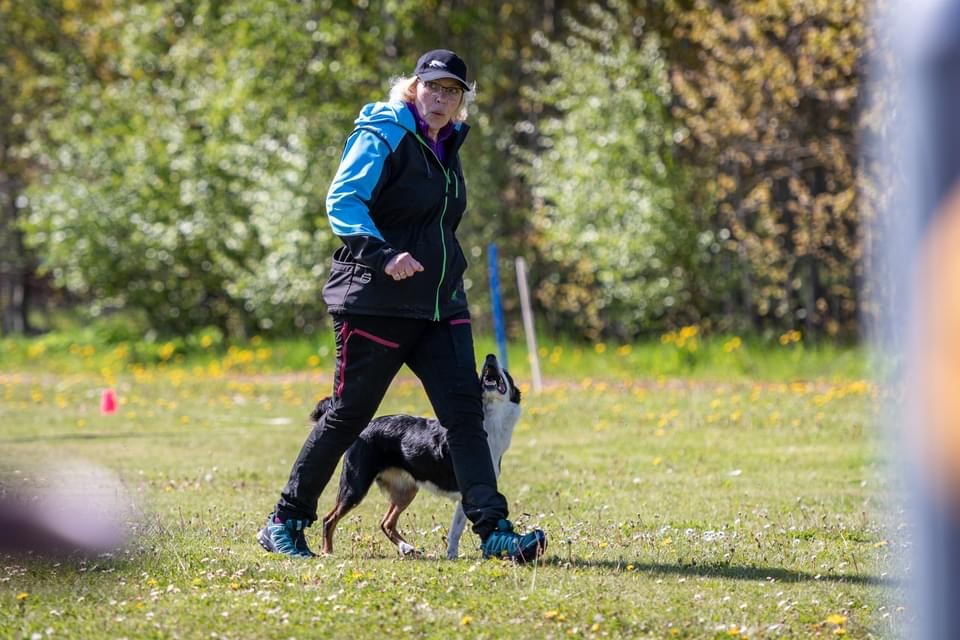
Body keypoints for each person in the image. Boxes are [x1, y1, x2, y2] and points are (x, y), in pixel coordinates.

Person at [257, 49, 546, 562]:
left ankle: (495, 532)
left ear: (462, 100)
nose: (440, 98)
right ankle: (285, 521)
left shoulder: (448, 143)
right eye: (432, 86)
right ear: (413, 87)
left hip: (440, 305)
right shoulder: (383, 132)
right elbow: (343, 201)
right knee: (349, 416)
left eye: (452, 91)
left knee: (464, 418)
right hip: (376, 300)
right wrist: (384, 254)